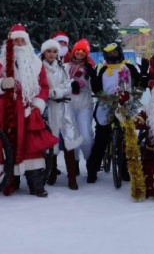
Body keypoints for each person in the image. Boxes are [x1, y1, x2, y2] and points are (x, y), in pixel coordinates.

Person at [0, 24, 56, 197]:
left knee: (32, 147)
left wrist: (37, 104)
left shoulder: (37, 64)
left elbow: (44, 87)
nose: (18, 43)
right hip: (6, 111)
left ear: (27, 42)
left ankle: (36, 183)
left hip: (29, 110)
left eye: (21, 40)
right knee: (8, 145)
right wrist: (1, 84)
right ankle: (10, 180)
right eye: (15, 40)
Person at [87, 41, 142, 183]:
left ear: (120, 53)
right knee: (101, 139)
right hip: (106, 106)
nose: (112, 56)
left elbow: (138, 84)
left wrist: (144, 75)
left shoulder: (128, 67)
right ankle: (92, 170)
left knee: (126, 140)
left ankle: (125, 170)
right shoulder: (104, 70)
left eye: (115, 53)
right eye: (109, 54)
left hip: (125, 105)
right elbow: (97, 89)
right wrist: (93, 76)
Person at [40, 39, 82, 190]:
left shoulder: (62, 68)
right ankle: (51, 173)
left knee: (68, 141)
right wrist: (50, 93)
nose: (51, 54)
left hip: (64, 109)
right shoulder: (39, 68)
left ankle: (72, 177)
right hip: (48, 109)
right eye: (49, 51)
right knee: (51, 143)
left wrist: (61, 92)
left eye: (54, 51)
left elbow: (68, 84)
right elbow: (39, 87)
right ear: (44, 52)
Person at [65, 38, 96, 179]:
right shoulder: (66, 66)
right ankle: (74, 165)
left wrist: (92, 76)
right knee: (72, 135)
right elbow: (62, 82)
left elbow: (94, 87)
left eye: (84, 51)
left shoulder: (90, 66)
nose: (80, 53)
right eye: (78, 50)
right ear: (74, 51)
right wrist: (70, 84)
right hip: (69, 104)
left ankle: (91, 165)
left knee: (86, 135)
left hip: (84, 104)